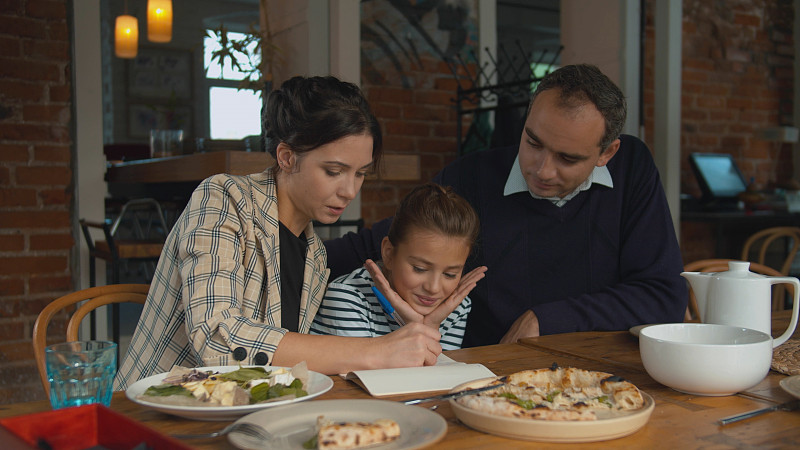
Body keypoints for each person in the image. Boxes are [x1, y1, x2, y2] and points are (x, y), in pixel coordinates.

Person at [324, 64, 688, 347]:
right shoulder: (473, 176)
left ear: (606, 153)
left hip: (601, 371)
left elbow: (663, 295)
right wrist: (276, 254)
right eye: (533, 142)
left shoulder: (633, 169)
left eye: (567, 158)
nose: (542, 170)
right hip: (486, 374)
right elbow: (381, 244)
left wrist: (547, 318)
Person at [115, 76, 444, 389]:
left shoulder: (314, 254)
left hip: (240, 416)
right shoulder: (223, 198)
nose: (349, 191)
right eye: (333, 171)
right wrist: (375, 352)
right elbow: (218, 336)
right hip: (151, 412)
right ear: (286, 157)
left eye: (360, 174)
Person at [310, 183, 487, 350]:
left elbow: (440, 379)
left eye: (450, 274)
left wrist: (430, 325)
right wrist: (418, 328)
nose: (433, 288)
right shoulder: (347, 298)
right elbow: (369, 381)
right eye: (419, 268)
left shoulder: (455, 306)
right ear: (388, 253)